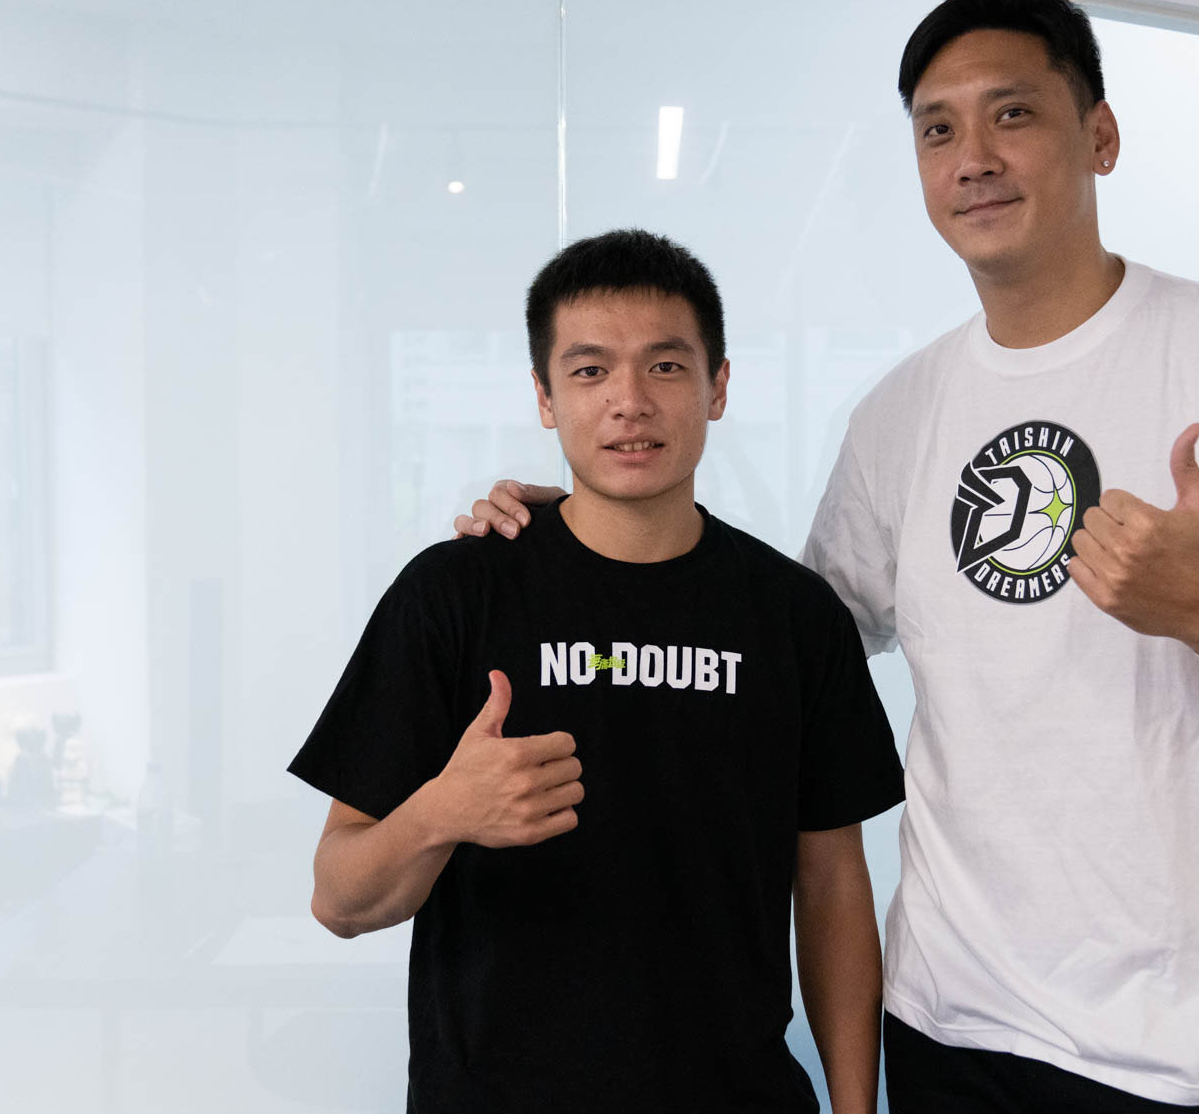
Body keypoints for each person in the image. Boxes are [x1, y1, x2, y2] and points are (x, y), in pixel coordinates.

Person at [462, 0, 1199, 1111]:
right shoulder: (901, 416)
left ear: (1101, 137)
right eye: (938, 130)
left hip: (1193, 1050)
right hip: (949, 1023)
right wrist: (582, 526)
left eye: (1013, 114)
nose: (974, 159)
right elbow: (771, 642)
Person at [293, 229, 905, 1113]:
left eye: (666, 366)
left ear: (717, 387)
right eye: (589, 371)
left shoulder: (795, 615)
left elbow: (834, 886)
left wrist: (855, 1109)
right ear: (545, 398)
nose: (630, 402)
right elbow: (339, 899)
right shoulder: (453, 595)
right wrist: (444, 812)